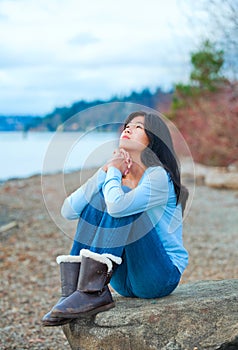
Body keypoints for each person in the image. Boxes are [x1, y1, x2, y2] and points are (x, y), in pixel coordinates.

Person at [41, 111, 189, 327]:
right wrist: (105, 171)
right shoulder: (116, 173)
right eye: (127, 125)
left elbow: (118, 207)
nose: (128, 128)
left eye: (138, 127)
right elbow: (69, 210)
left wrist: (114, 176)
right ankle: (75, 289)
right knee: (99, 197)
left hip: (159, 276)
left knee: (119, 201)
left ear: (154, 139)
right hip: (124, 280)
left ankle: (92, 291)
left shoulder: (158, 176)